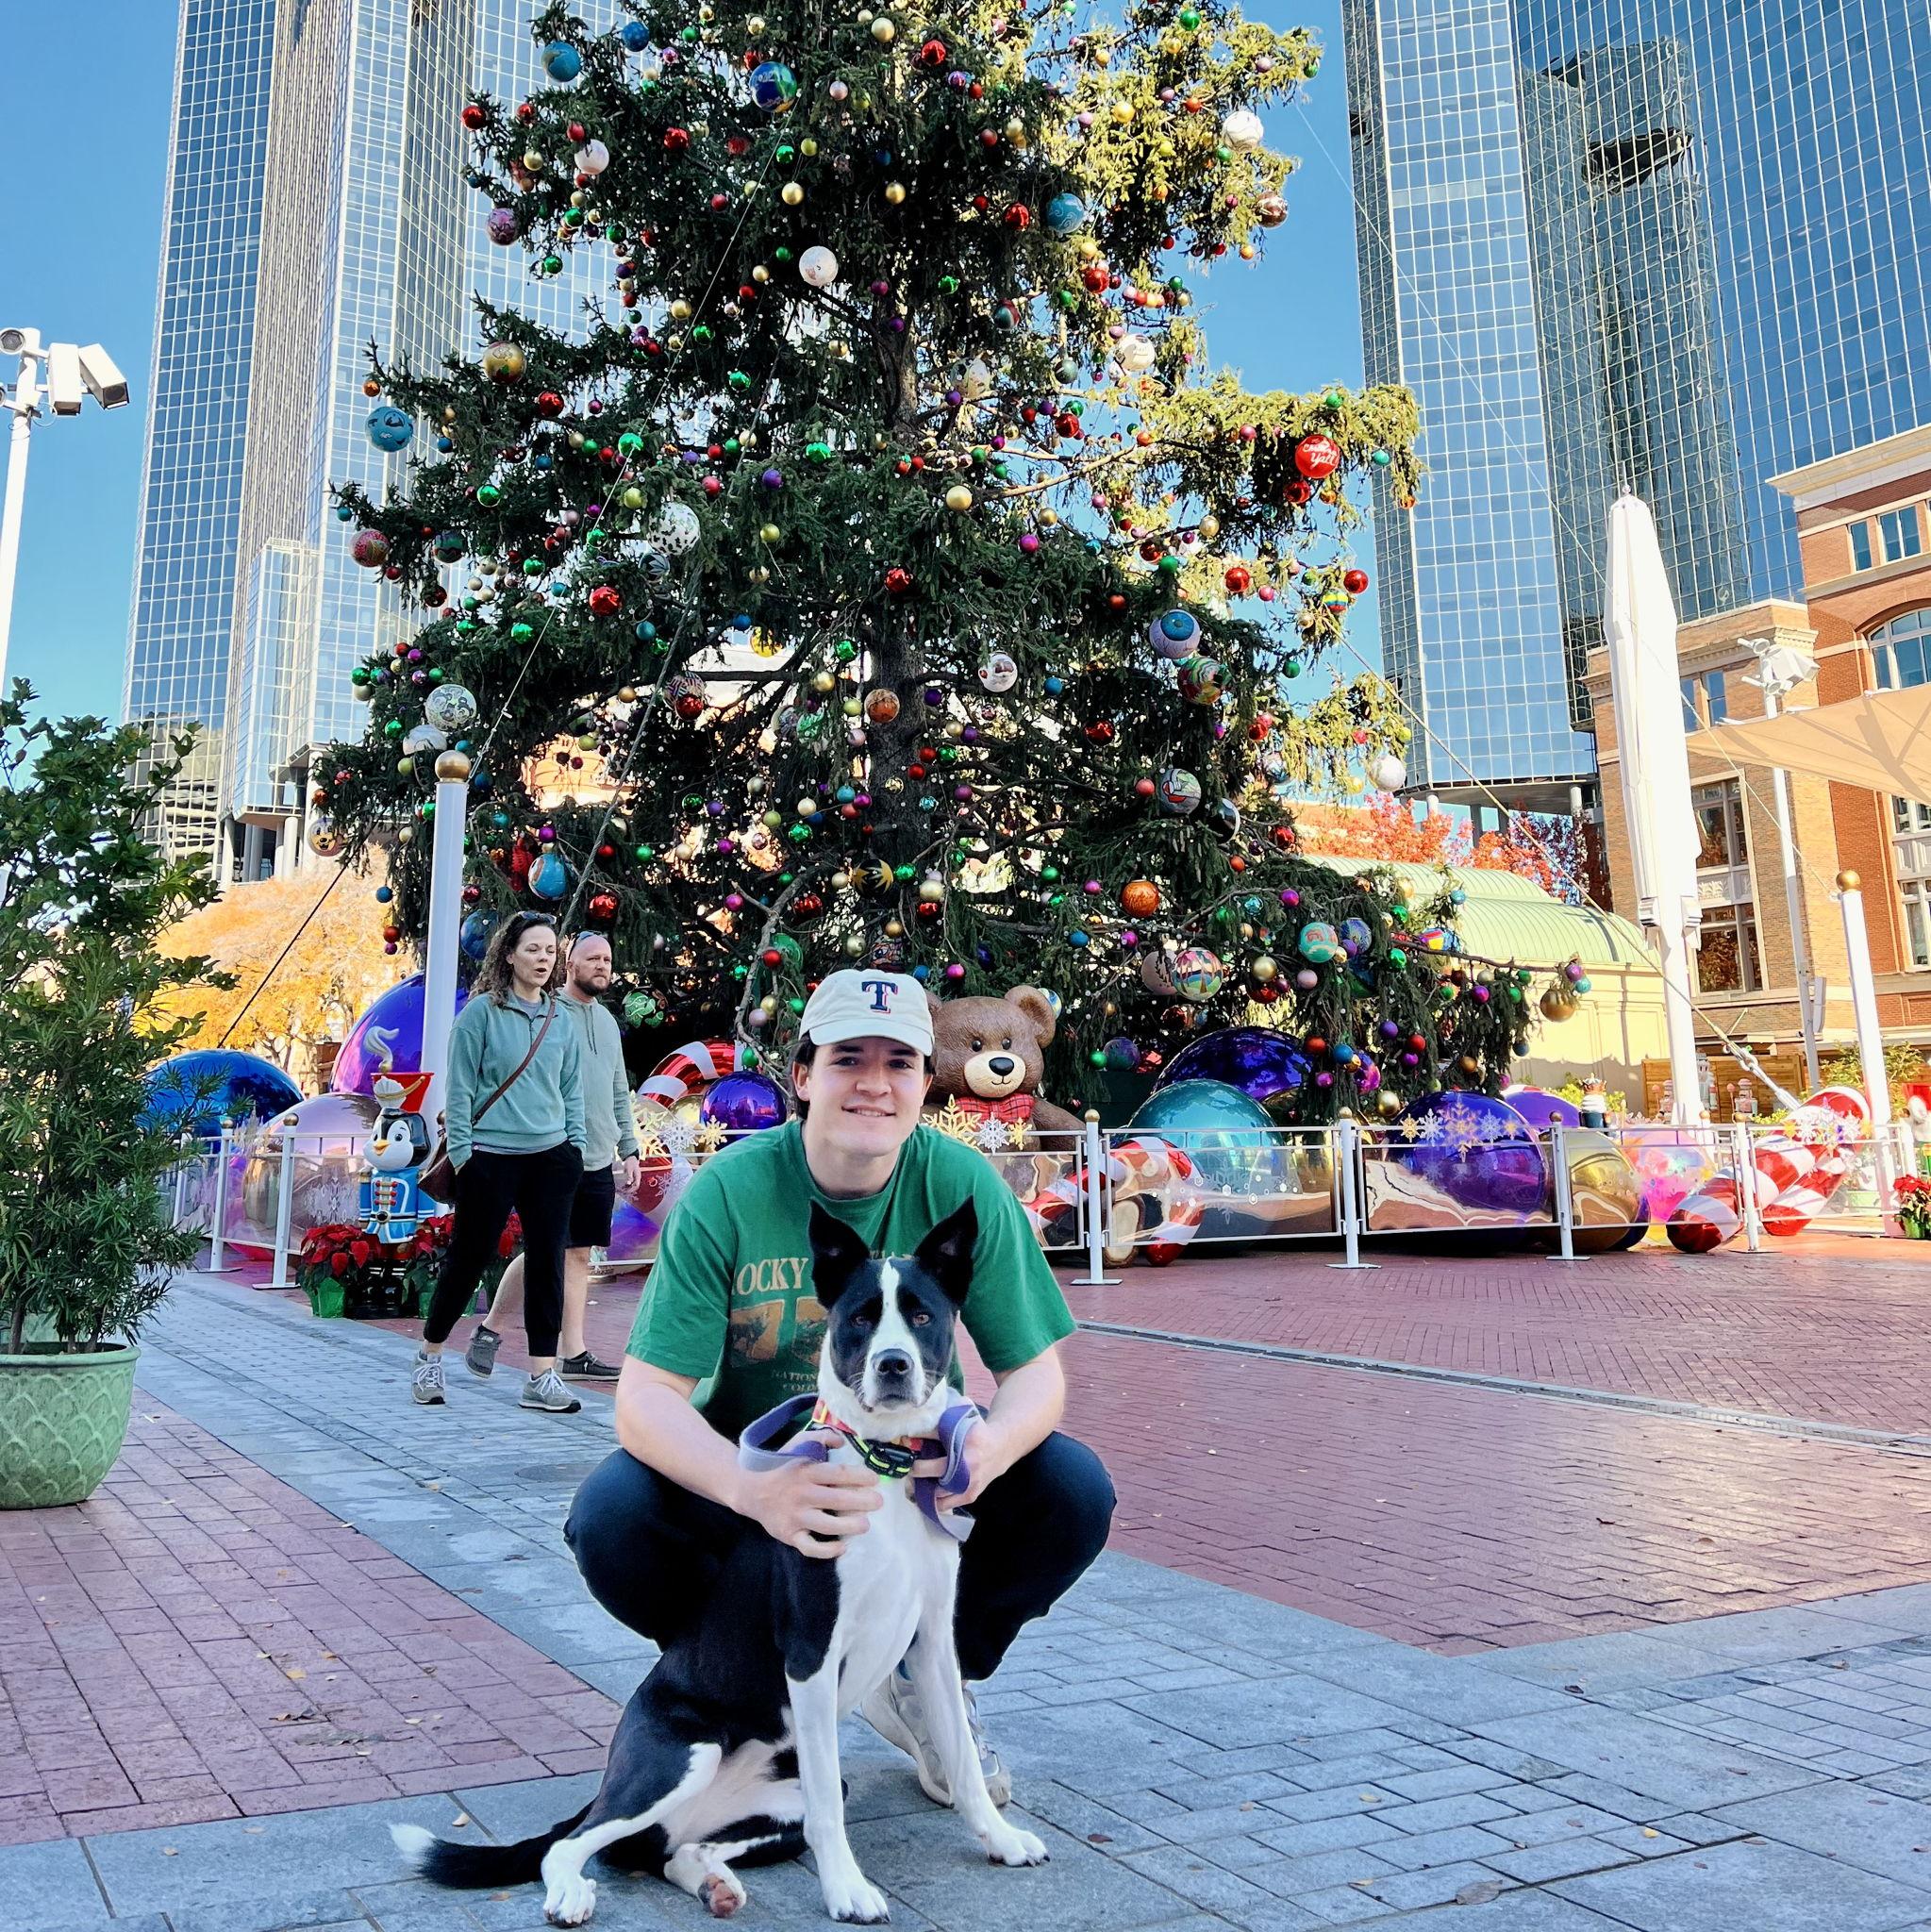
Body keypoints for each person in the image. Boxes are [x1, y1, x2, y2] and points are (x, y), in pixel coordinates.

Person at [565, 968, 1115, 1806]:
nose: (872, 1083)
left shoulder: (961, 1186)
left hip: (916, 1476)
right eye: (847, 1058)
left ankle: (926, 1680)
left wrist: (988, 1451)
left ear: (925, 1082)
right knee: (612, 1516)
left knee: (1072, 1490)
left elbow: (1035, 1375)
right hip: (769, 1478)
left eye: (898, 1062)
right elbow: (643, 1401)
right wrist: (755, 1492)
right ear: (802, 1075)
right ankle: (745, 1696)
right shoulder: (730, 1191)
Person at [414, 912, 586, 1414]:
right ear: (508, 954)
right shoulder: (481, 1015)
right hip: (490, 1157)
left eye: (550, 951)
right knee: (469, 1259)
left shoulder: (561, 1020)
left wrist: (574, 1146)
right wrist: (465, 1157)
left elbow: (571, 1090)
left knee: (547, 1266)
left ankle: (541, 1375)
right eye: (533, 949)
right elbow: (461, 1089)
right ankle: (429, 1355)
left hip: (551, 1158)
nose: (543, 959)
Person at [464, 930, 641, 1382]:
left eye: (607, 959)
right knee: (546, 1250)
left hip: (600, 1155)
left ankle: (575, 1352)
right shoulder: (547, 1012)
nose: (602, 966)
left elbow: (619, 1089)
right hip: (553, 1152)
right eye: (592, 959)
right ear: (570, 965)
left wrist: (630, 1148)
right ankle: (491, 1329)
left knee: (578, 1253)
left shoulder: (605, 1022)